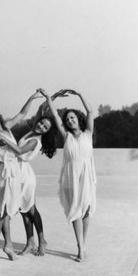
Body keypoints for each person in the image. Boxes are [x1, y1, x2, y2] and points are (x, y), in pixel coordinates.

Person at [0, 91, 42, 263]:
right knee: (2, 212)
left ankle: (7, 245)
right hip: (4, 174)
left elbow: (22, 114)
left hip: (15, 173)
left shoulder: (6, 127)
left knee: (7, 211)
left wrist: (31, 98)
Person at [40, 88, 96, 262]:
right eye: (68, 119)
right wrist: (50, 98)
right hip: (71, 176)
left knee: (86, 210)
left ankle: (83, 243)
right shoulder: (66, 136)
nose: (70, 120)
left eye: (72, 118)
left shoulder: (88, 133)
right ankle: (80, 246)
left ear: (78, 119)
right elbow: (55, 116)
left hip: (87, 175)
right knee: (75, 210)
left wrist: (80, 94)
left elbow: (90, 111)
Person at [0, 111, 57, 257]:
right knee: (24, 209)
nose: (41, 126)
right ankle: (30, 242)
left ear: (47, 131)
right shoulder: (31, 132)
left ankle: (42, 241)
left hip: (25, 175)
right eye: (41, 123)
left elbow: (20, 150)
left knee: (31, 209)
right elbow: (40, 110)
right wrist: (48, 98)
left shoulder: (35, 140)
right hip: (17, 171)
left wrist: (3, 139)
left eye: (45, 127)